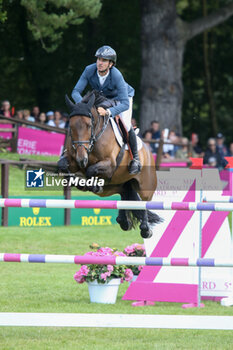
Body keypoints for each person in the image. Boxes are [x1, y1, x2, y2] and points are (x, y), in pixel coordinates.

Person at [59, 45, 140, 174]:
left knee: (126, 124)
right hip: (103, 98)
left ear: (111, 64)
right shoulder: (89, 70)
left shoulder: (117, 75)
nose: (100, 63)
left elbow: (125, 104)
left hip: (122, 99)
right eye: (98, 59)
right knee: (81, 120)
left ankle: (135, 158)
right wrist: (83, 107)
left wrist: (109, 112)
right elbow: (76, 91)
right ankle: (66, 152)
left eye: (104, 60)